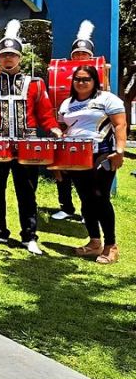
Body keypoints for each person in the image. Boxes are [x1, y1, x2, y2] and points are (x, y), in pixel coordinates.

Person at [0, 20, 62, 255]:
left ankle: (29, 236)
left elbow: (45, 115)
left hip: (27, 147)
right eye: (4, 56)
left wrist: (54, 129)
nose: (8, 60)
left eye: (12, 55)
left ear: (20, 58)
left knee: (27, 192)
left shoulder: (35, 84)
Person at [58, 64, 126, 264]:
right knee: (86, 199)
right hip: (75, 157)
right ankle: (94, 242)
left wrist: (119, 151)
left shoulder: (107, 99)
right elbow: (64, 128)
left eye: (86, 79)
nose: (81, 83)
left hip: (102, 154)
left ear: (95, 80)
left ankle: (111, 245)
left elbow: (120, 124)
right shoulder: (67, 104)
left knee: (100, 197)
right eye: (77, 79)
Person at [52, 20, 99, 220]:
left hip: (93, 137)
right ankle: (66, 207)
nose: (80, 57)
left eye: (84, 54)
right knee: (61, 171)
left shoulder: (99, 76)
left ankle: (89, 210)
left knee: (90, 176)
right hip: (67, 129)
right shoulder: (62, 73)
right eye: (77, 54)